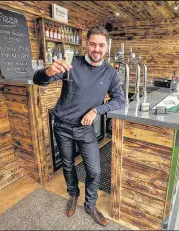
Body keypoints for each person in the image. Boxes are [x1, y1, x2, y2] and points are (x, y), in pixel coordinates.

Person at [33, 26, 124, 226]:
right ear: (86, 45)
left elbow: (119, 100)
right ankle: (73, 194)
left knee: (94, 171)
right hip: (62, 126)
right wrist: (47, 71)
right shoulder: (71, 63)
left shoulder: (110, 73)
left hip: (85, 129)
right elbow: (38, 80)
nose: (96, 49)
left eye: (101, 45)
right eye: (93, 44)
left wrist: (96, 110)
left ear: (107, 47)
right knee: (68, 165)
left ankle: (90, 204)